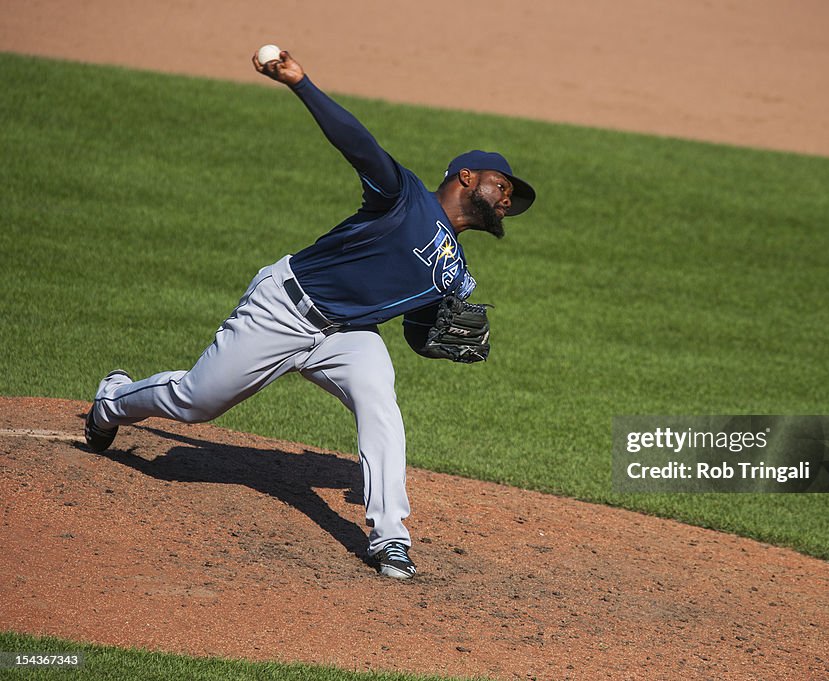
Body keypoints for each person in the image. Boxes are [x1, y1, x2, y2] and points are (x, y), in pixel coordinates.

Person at [84, 49, 536, 580]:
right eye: (503, 187)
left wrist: (440, 341)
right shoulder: (404, 196)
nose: (507, 200)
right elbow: (358, 143)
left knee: (380, 403)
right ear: (466, 176)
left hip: (347, 336)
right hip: (284, 308)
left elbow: (418, 331)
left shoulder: (455, 270)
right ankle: (113, 400)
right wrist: (301, 82)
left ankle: (390, 536)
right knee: (195, 403)